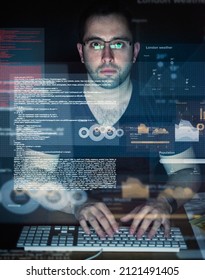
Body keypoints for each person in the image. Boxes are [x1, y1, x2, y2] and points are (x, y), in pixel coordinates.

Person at [72, 0, 201, 239]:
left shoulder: (161, 107)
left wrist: (164, 203)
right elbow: (35, 174)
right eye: (96, 44)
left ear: (135, 51)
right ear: (82, 52)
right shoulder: (56, 104)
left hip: (142, 229)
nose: (107, 57)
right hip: (68, 225)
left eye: (118, 43)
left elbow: (188, 171)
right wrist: (76, 203)